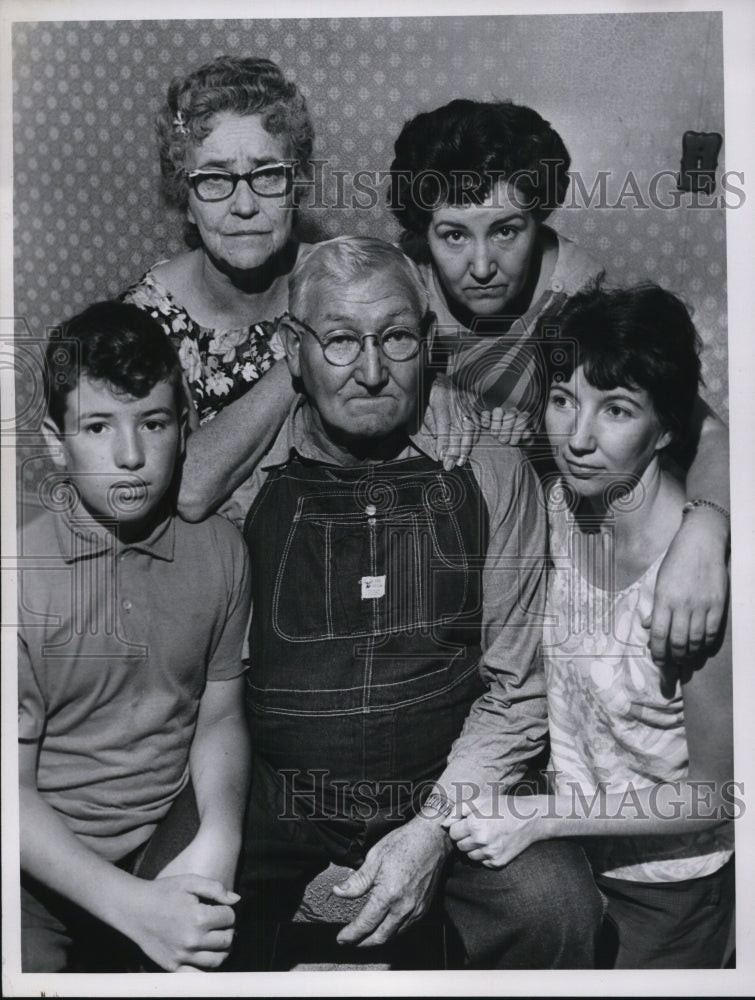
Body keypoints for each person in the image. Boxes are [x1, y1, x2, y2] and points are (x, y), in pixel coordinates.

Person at [227, 236, 604, 971]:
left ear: (427, 343)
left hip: (446, 788)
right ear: (292, 349)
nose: (371, 372)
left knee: (555, 912)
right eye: (338, 341)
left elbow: (516, 691)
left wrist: (431, 829)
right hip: (279, 797)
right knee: (172, 890)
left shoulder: (489, 473)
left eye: (396, 337)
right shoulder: (246, 486)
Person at [446, 284, 734, 968]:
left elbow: (717, 795)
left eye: (615, 410)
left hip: (665, 893)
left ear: (664, 427)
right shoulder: (560, 507)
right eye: (562, 399)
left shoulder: (699, 583)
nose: (576, 437)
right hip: (572, 857)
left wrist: (539, 815)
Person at [389, 97, 731, 672]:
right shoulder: (403, 280)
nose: (480, 266)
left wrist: (705, 531)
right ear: (424, 232)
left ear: (539, 218)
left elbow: (707, 431)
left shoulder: (577, 292)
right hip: (436, 535)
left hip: (554, 543)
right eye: (453, 236)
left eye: (505, 230)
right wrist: (427, 392)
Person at [124, 55, 474, 522]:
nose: (244, 205)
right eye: (214, 179)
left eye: (267, 174)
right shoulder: (144, 321)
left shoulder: (339, 279)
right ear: (185, 199)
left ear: (296, 185)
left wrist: (429, 381)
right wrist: (301, 358)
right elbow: (184, 490)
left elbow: (398, 356)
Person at [17, 301, 251, 972]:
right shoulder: (22, 577)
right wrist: (132, 908)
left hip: (163, 824)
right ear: (56, 442)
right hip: (43, 852)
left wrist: (218, 835)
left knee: (205, 955)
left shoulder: (221, 550)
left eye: (151, 424)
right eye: (97, 427)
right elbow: (15, 793)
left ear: (184, 429)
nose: (129, 456)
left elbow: (220, 719)